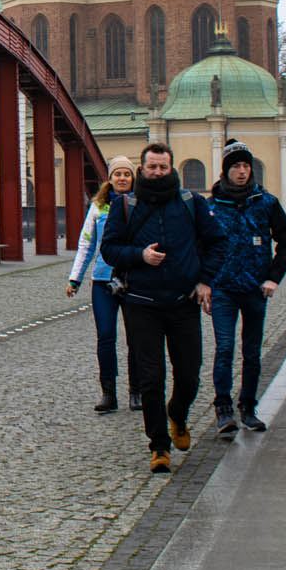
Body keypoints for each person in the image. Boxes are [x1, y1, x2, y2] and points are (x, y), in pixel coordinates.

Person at [100, 141, 226, 473]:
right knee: (151, 379)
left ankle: (178, 414)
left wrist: (205, 281)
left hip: (183, 301)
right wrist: (139, 256)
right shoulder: (125, 205)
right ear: (143, 169)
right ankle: (159, 446)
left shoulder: (190, 204)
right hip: (141, 303)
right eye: (152, 167)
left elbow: (217, 243)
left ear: (172, 169)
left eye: (163, 167)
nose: (157, 172)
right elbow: (110, 250)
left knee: (189, 375)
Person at [205, 139, 286, 436]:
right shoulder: (211, 207)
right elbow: (198, 247)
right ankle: (223, 408)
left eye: (246, 166)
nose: (242, 172)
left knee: (252, 352)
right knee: (225, 348)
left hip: (256, 289)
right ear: (226, 171)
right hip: (223, 289)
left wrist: (273, 277)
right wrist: (202, 282)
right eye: (236, 167)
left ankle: (248, 407)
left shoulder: (266, 203)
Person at [66, 156, 143, 413]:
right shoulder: (98, 207)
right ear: (109, 179)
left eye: (127, 174)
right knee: (106, 336)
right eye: (117, 174)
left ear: (133, 178)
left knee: (137, 337)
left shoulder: (141, 205)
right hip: (103, 280)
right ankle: (109, 393)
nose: (122, 178)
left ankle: (137, 391)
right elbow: (86, 243)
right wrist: (75, 278)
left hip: (134, 279)